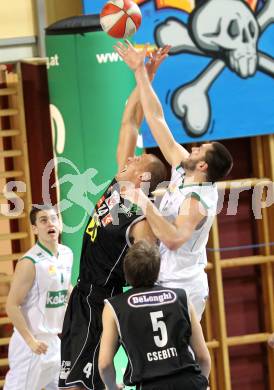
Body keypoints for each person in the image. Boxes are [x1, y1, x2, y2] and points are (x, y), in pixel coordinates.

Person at [59, 51, 168, 390]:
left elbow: (148, 262)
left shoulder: (139, 219)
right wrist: (143, 75)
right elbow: (130, 121)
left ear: (142, 181)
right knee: (72, 382)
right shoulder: (119, 183)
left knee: (84, 384)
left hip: (99, 299)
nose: (133, 157)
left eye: (140, 160)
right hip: (81, 295)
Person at [115, 41, 233, 320]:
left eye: (199, 149)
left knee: (184, 360)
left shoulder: (197, 201)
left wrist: (144, 201)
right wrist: (142, 73)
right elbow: (156, 119)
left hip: (183, 286)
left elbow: (175, 240)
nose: (193, 148)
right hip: (164, 278)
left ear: (203, 164)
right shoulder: (184, 169)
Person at [99, 240, 211, 390]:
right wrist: (201, 383)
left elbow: (104, 364)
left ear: (126, 272)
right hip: (189, 382)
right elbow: (203, 358)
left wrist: (112, 387)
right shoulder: (181, 297)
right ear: (158, 271)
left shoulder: (114, 307)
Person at [4, 205, 73, 390]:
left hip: (53, 341)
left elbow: (65, 286)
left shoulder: (66, 254)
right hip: (31, 343)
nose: (50, 223)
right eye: (43, 220)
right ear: (34, 229)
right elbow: (11, 305)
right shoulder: (29, 262)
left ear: (60, 224)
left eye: (53, 219)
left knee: (64, 386)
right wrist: (30, 342)